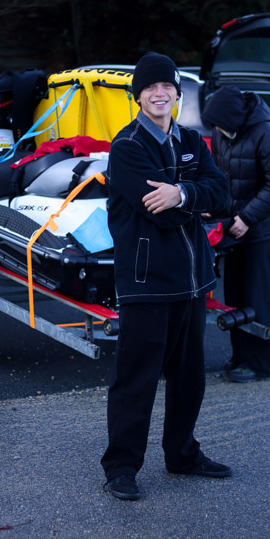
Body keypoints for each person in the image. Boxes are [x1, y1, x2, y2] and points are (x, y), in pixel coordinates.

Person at [101, 52, 231, 501]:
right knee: (135, 379)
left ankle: (181, 454)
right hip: (146, 282)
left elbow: (222, 193)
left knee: (190, 378)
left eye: (167, 86)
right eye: (150, 87)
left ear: (178, 92)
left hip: (194, 282)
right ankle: (121, 466)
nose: (160, 93)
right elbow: (156, 213)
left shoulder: (193, 140)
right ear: (138, 96)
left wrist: (182, 192)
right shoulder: (128, 147)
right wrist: (193, 198)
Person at [200, 85, 270, 383]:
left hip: (263, 229)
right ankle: (240, 356)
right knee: (235, 294)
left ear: (234, 118)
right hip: (233, 224)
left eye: (219, 124)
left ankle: (260, 364)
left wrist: (248, 217)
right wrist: (214, 209)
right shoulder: (221, 132)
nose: (216, 129)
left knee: (257, 296)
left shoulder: (268, 134)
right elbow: (220, 174)